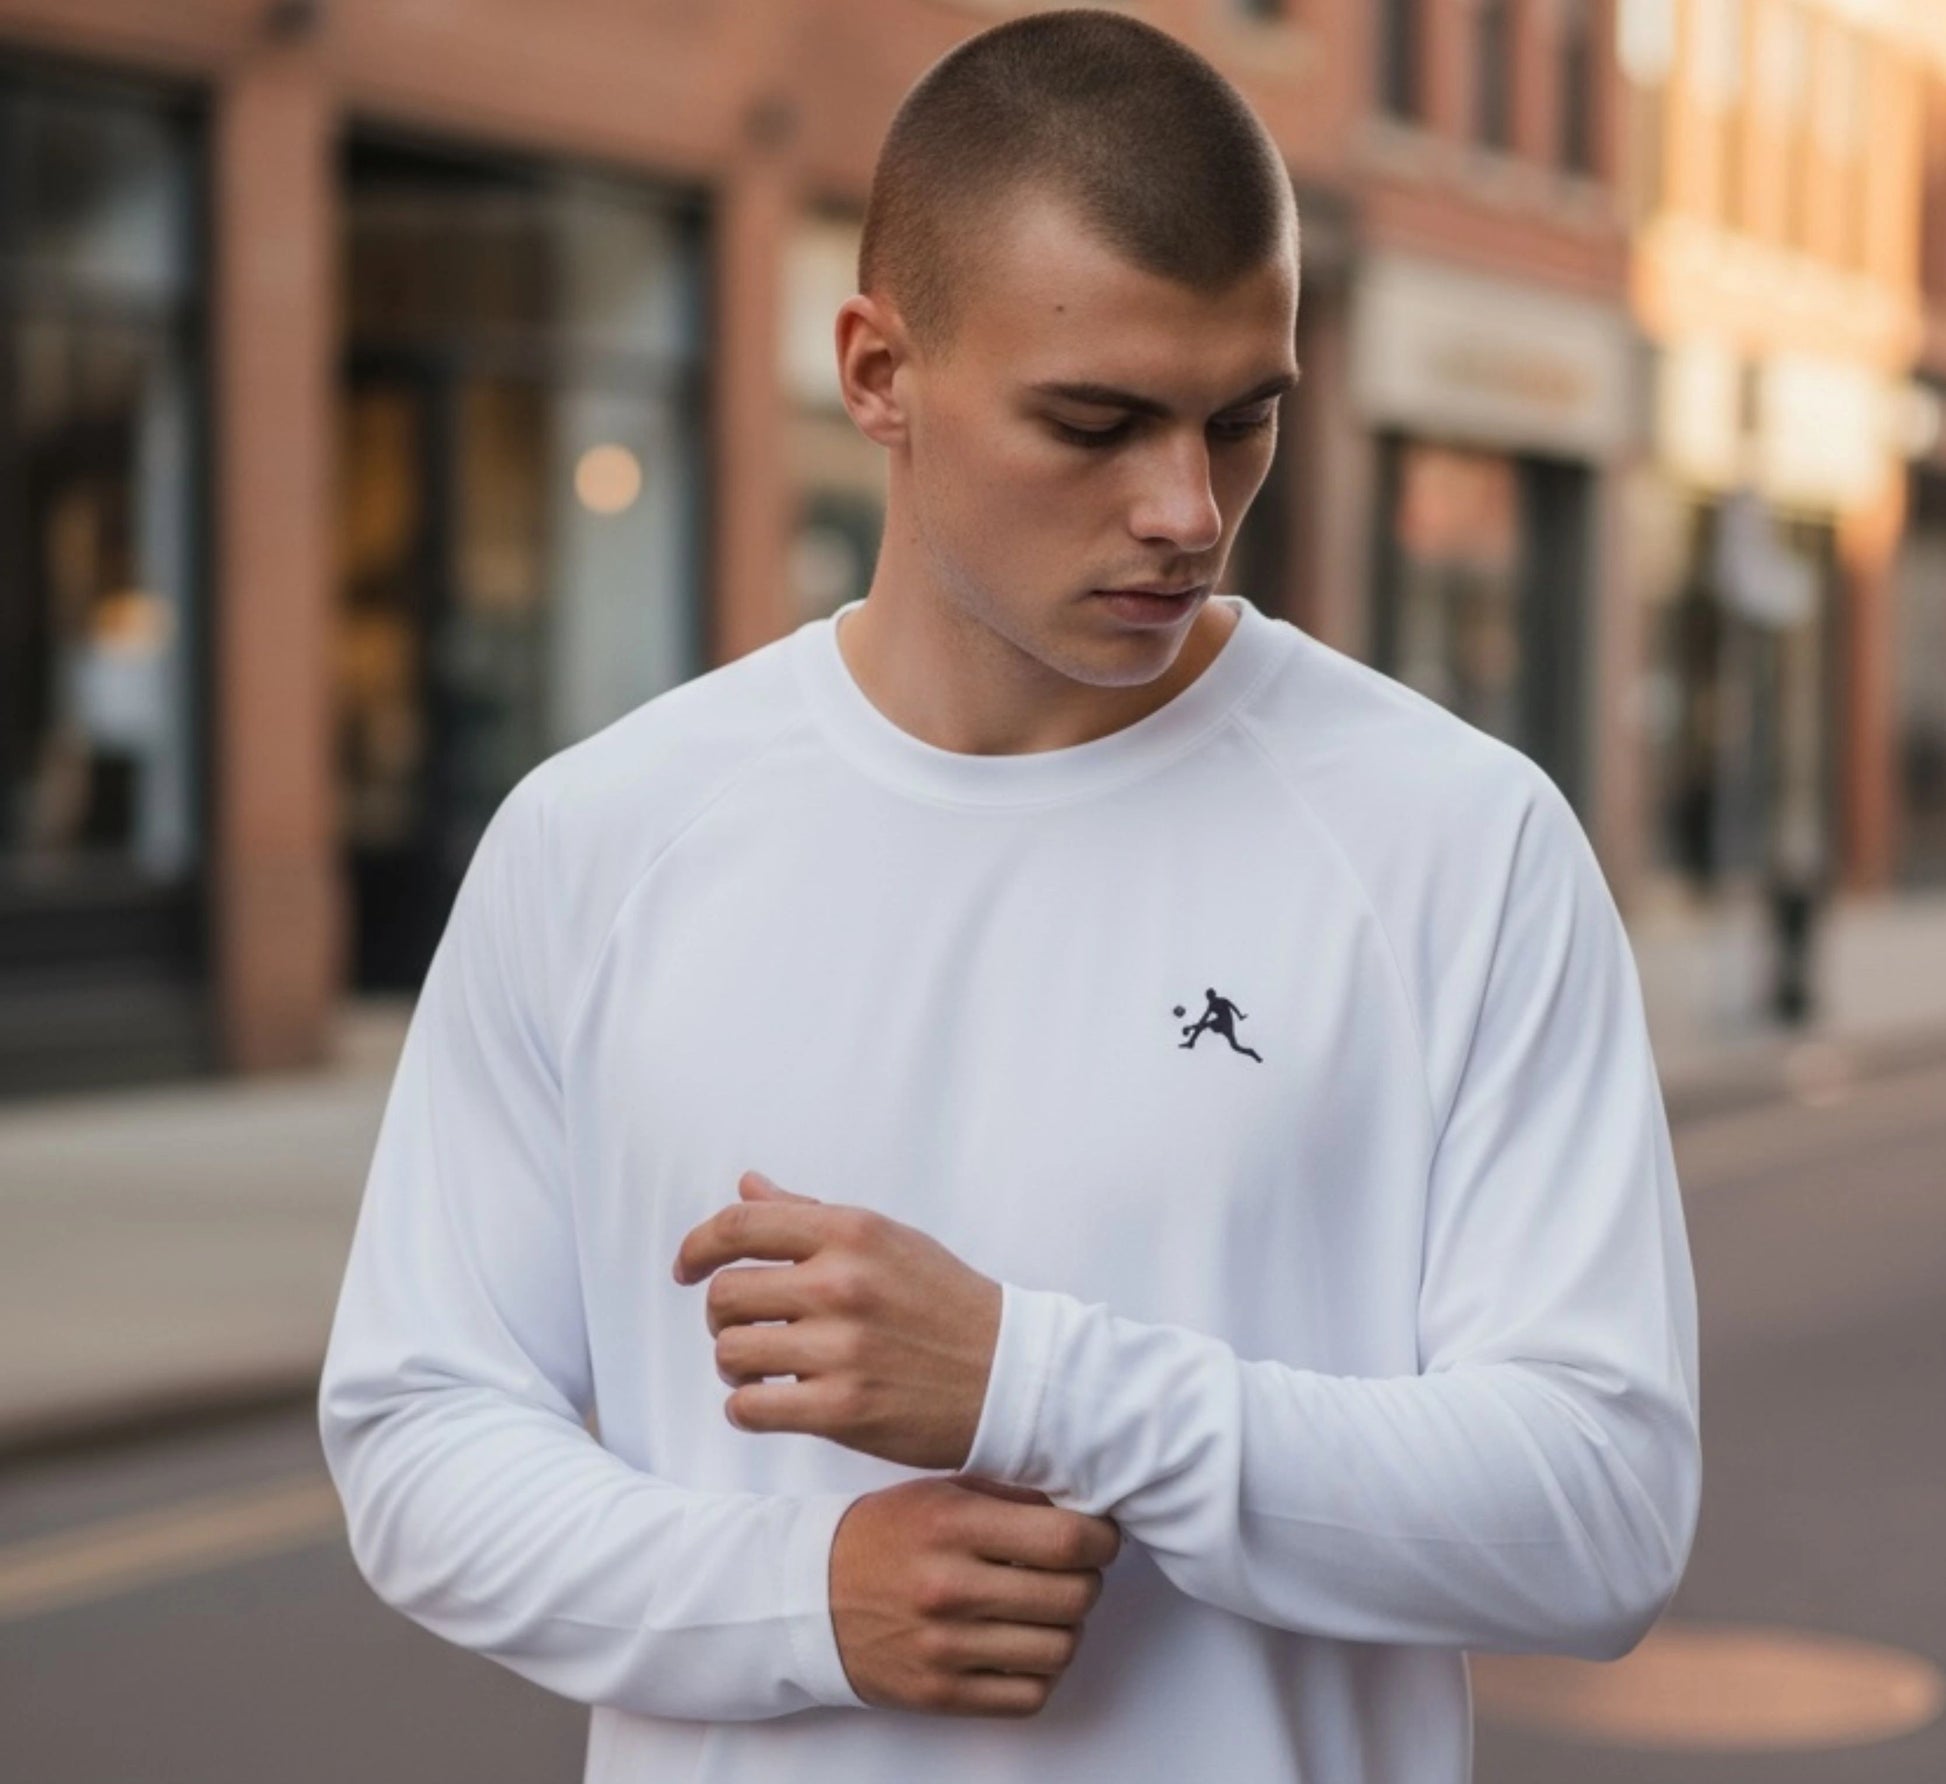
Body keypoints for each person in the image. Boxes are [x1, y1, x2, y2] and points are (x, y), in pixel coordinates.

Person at [317, 12, 1702, 1783]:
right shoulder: (602, 838)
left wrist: (1030, 1385)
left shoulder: (1457, 840)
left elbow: (1596, 1519)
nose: (1186, 509)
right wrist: (797, 1599)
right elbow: (422, 1440)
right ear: (877, 373)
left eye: (1241, 419)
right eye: (1097, 421)